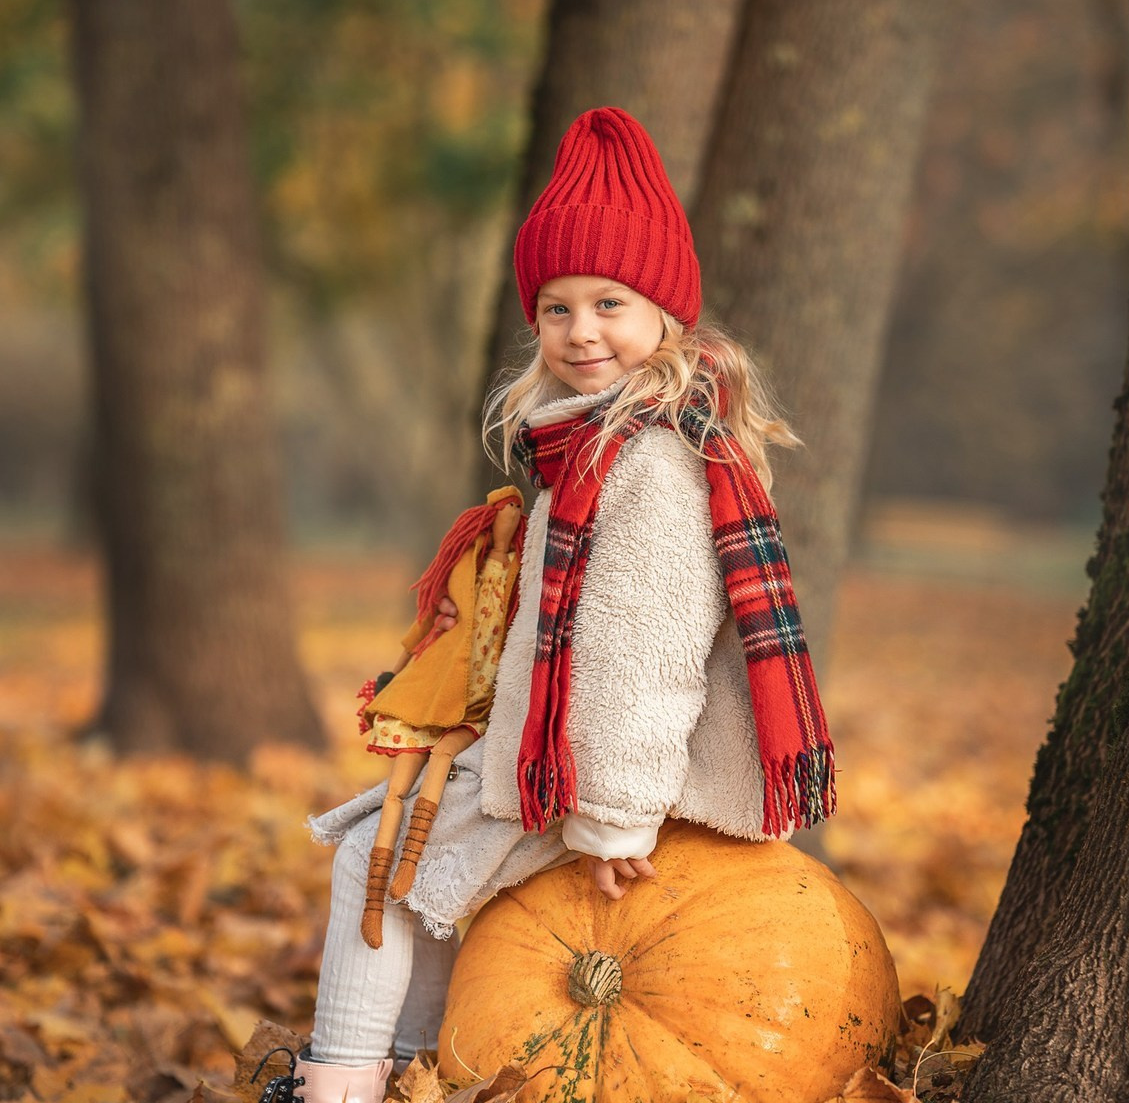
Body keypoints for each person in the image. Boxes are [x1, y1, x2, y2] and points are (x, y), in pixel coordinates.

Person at [293, 107, 835, 1103]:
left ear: (665, 313)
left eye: (609, 302)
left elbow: (647, 652)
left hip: (608, 784)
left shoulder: (652, 463)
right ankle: (410, 1075)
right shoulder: (597, 447)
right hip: (574, 767)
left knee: (376, 868)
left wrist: (616, 826)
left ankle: (339, 1083)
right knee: (413, 876)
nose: (580, 330)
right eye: (554, 306)